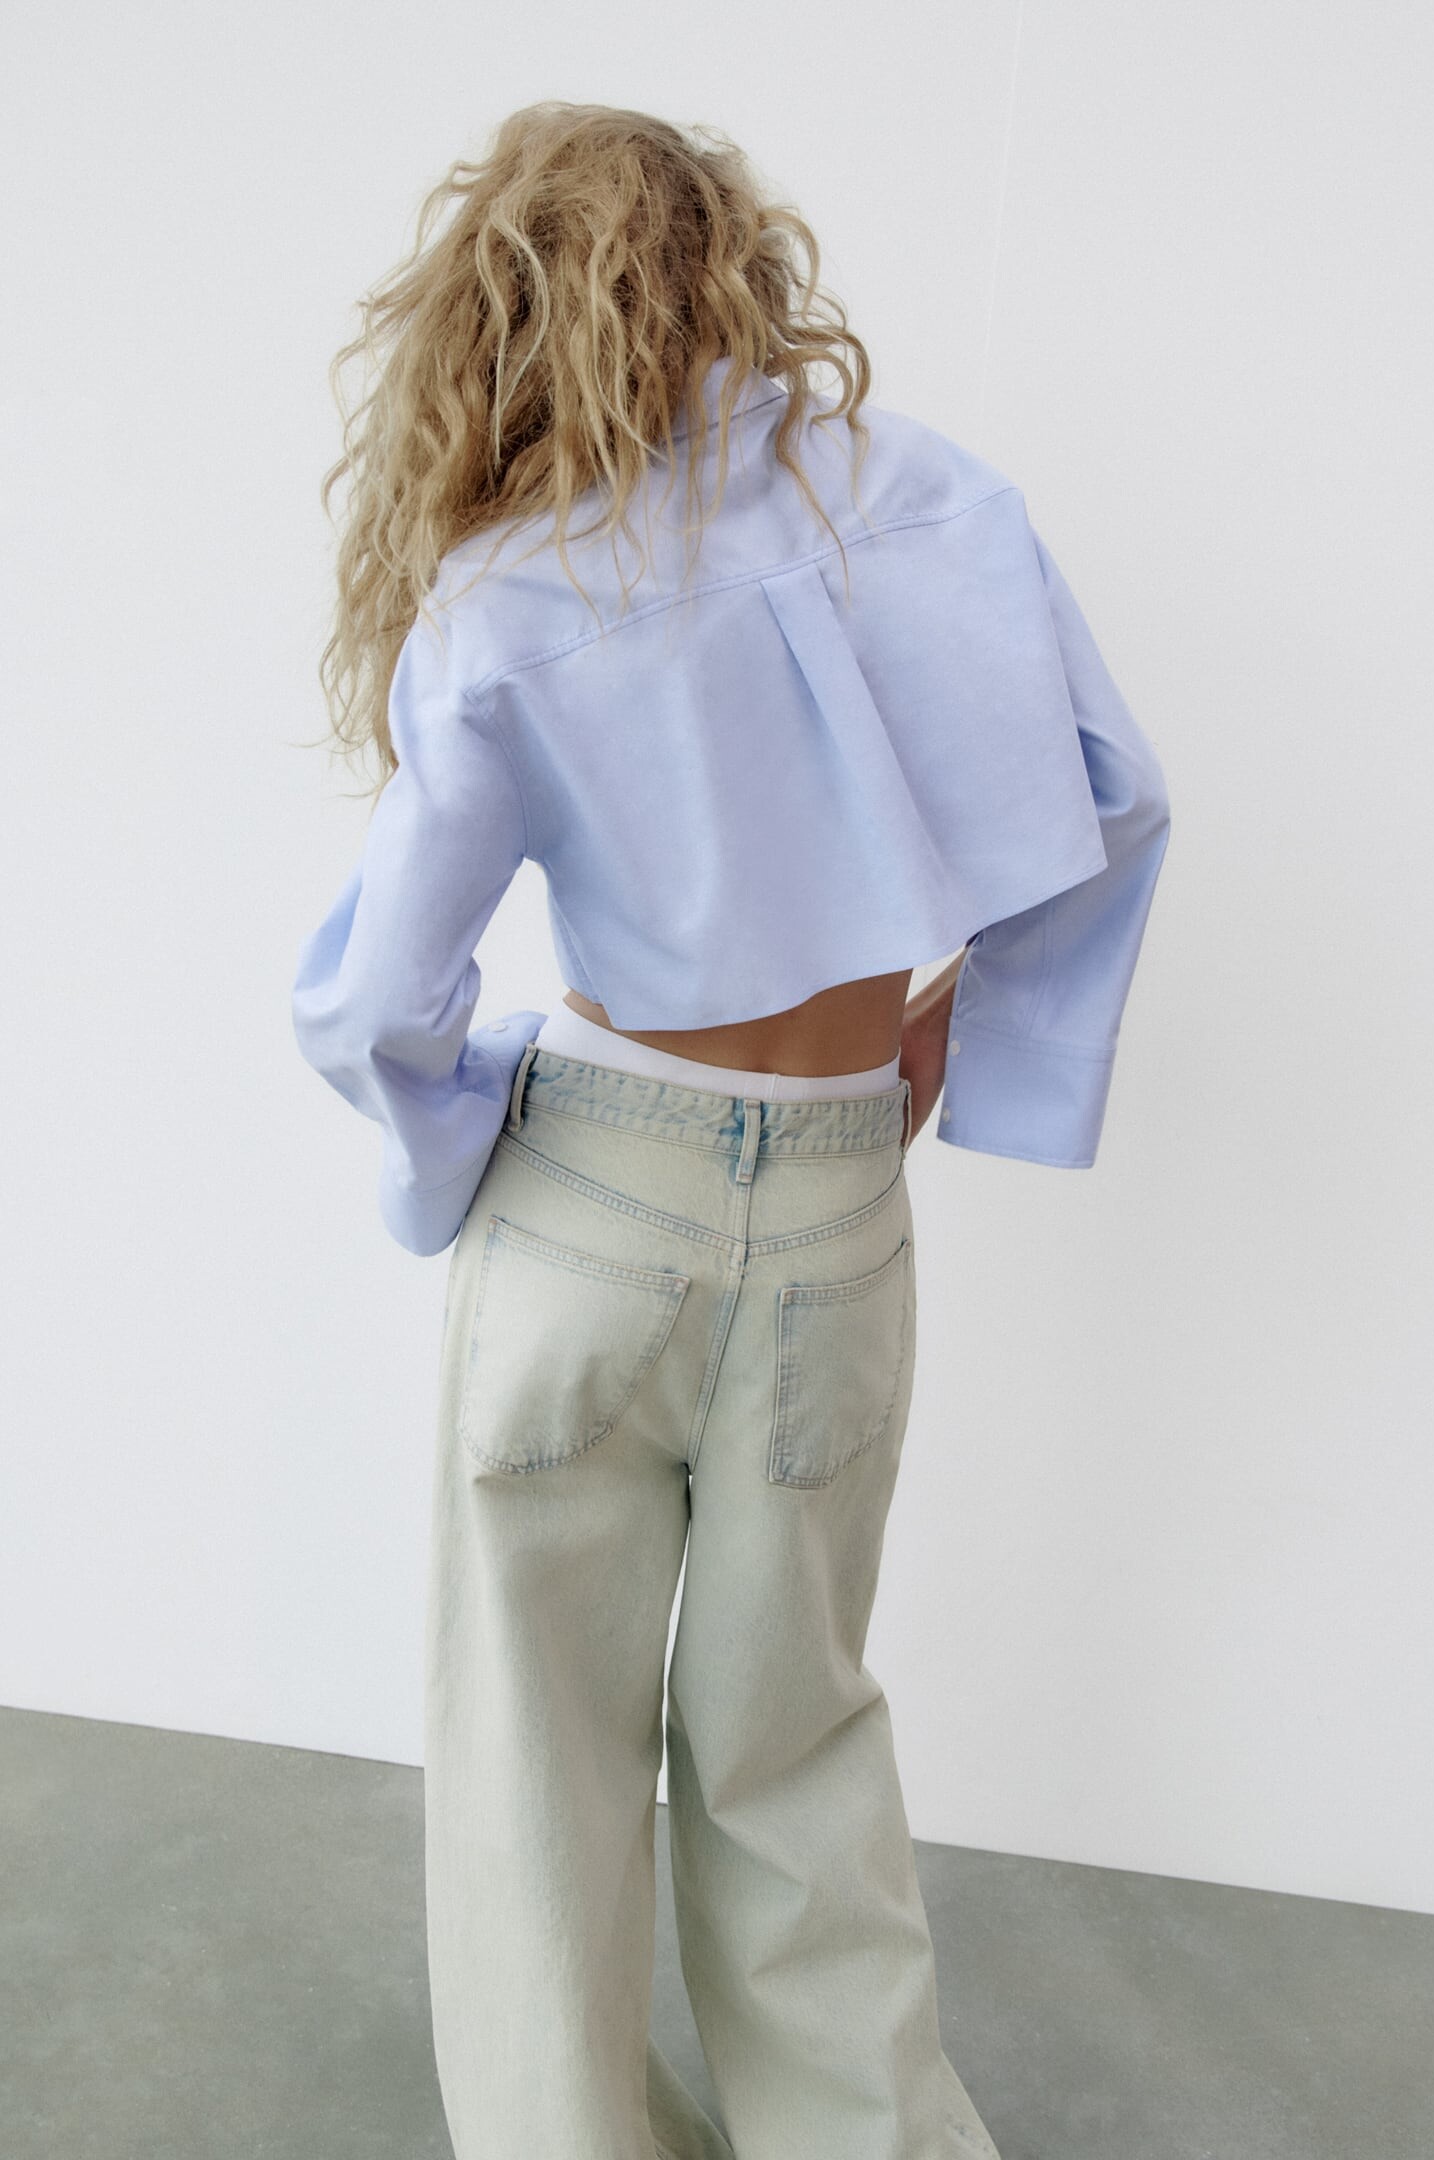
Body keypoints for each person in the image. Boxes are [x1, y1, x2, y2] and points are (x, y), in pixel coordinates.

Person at [290, 99, 1170, 2160]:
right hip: (844, 1201)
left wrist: (457, 1145)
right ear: (735, 265)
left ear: (501, 310)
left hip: (593, 1192)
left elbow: (369, 1003)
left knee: (535, 1774)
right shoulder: (929, 498)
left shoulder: (510, 590)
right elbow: (1119, 801)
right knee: (797, 1749)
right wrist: (970, 1037)